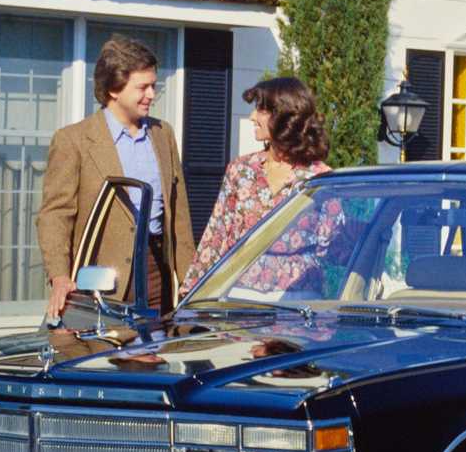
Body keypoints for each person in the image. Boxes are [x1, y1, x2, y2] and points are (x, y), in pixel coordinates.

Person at [36, 35, 194, 320]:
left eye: (153, 85)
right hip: (98, 280)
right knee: (102, 360)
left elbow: (178, 213)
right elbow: (55, 215)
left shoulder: (163, 134)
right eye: (142, 87)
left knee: (152, 357)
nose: (151, 94)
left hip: (156, 272)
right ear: (113, 89)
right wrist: (59, 276)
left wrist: (190, 279)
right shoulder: (74, 140)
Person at [181, 76, 334, 293]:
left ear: (285, 116)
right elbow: (216, 235)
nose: (252, 117)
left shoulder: (319, 177)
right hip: (239, 296)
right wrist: (192, 292)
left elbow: (331, 245)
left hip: (299, 300)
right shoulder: (241, 170)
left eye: (261, 110)